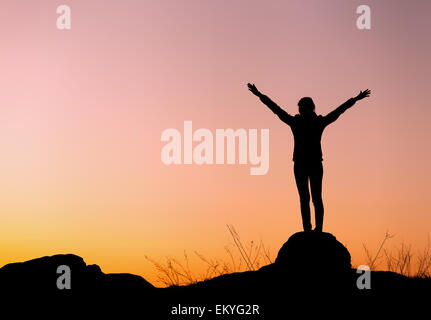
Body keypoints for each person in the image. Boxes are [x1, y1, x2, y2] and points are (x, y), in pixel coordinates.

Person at [247, 83, 370, 232]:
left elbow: (338, 111)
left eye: (301, 107)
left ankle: (314, 229)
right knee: (310, 198)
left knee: (312, 198)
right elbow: (276, 109)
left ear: (305, 108)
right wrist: (259, 95)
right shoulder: (306, 122)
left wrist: (355, 99)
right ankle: (311, 229)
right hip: (304, 164)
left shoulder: (308, 122)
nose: (300, 109)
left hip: (309, 164)